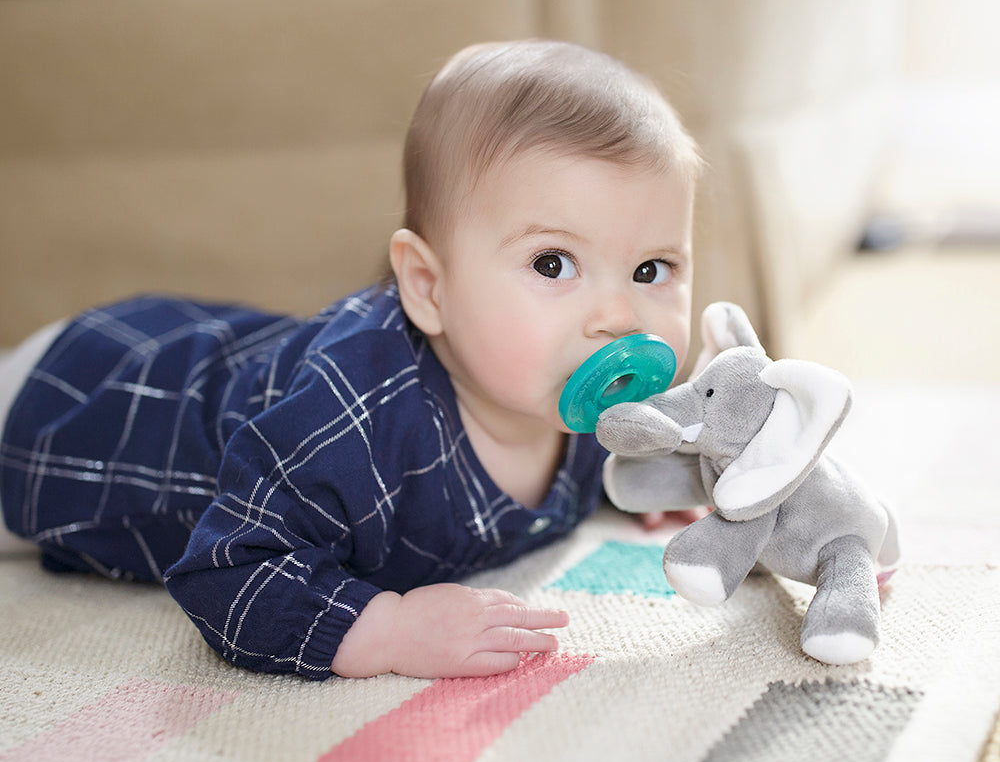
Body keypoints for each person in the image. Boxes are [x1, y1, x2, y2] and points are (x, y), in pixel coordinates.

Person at [0, 40, 701, 680]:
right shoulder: (354, 415)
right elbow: (227, 570)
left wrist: (634, 480)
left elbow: (597, 454)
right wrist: (385, 630)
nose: (619, 317)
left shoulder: (561, 386)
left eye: (650, 269)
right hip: (82, 403)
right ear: (428, 288)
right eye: (553, 263)